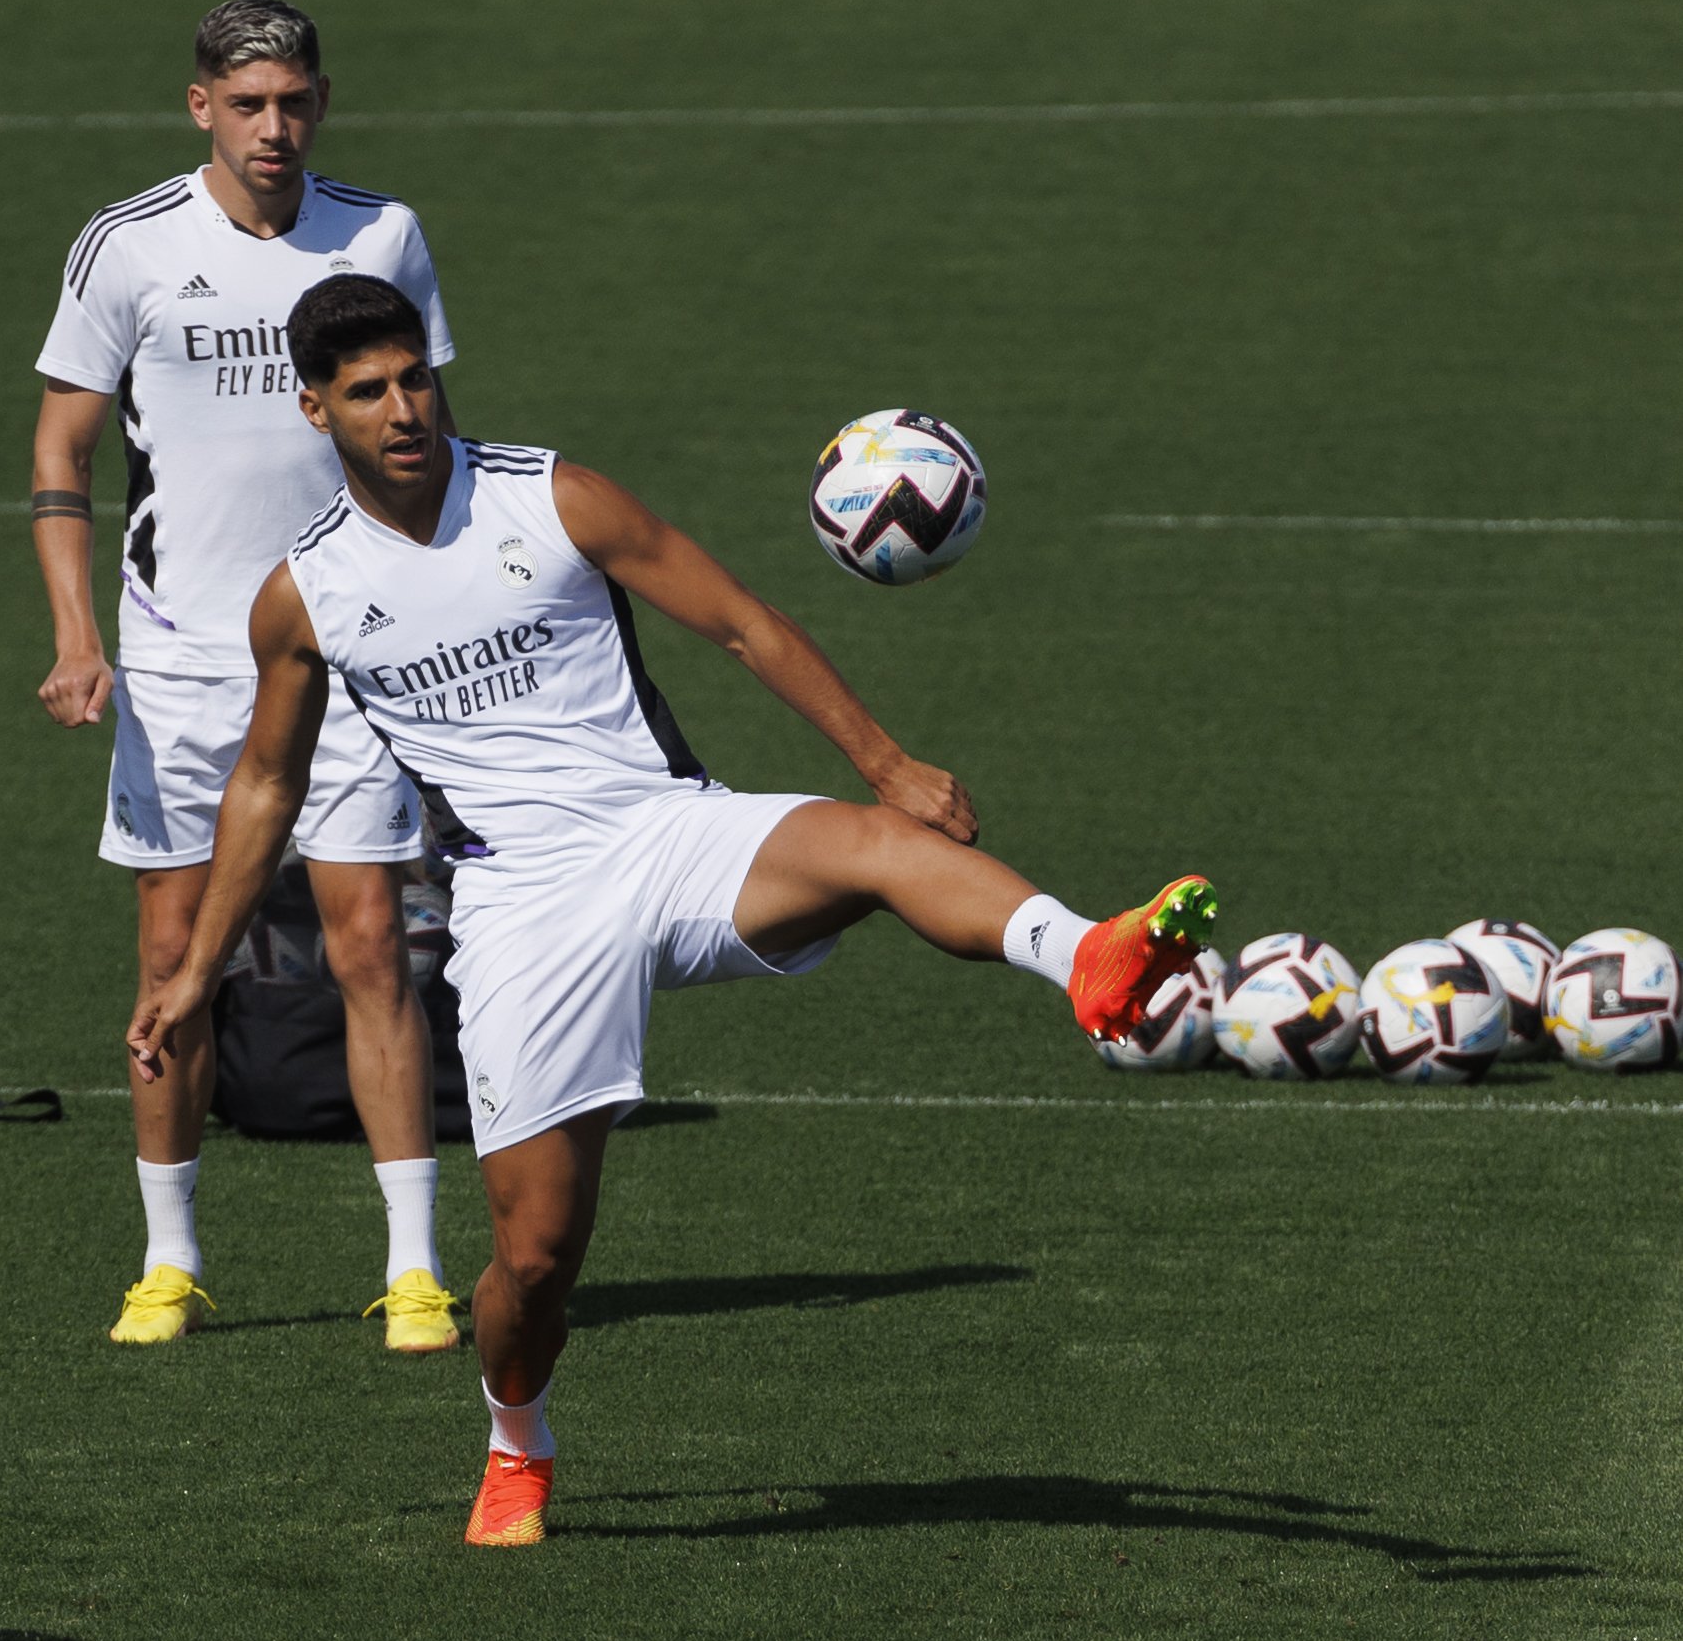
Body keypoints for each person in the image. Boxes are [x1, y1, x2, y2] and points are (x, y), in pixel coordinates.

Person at [127, 275, 1217, 1546]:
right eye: (367, 391)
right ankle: (515, 1440)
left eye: (414, 376)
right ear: (317, 411)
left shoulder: (553, 496)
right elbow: (267, 779)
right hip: (524, 910)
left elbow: (742, 623)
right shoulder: (303, 597)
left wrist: (885, 761)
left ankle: (1085, 954)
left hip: (666, 832)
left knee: (872, 842)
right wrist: (199, 966)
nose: (403, 407)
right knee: (534, 1263)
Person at [30, 0, 465, 1350]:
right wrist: (75, 635)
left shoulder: (380, 234)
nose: (274, 127)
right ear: (201, 105)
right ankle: (171, 1259)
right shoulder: (129, 246)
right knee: (174, 952)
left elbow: (425, 432)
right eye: (249, 103)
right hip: (183, 660)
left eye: (294, 102)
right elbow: (64, 453)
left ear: (320, 104)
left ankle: (412, 1267)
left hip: (344, 648)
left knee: (370, 946)